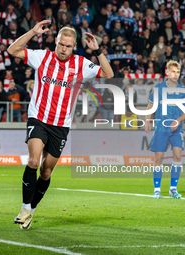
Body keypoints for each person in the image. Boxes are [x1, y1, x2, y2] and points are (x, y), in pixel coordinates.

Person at [7, 20, 113, 229]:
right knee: (33, 162)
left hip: (61, 126)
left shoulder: (81, 64)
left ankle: (32, 210)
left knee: (46, 172)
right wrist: (33, 32)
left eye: (68, 46)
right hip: (38, 118)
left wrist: (97, 50)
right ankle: (25, 207)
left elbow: (109, 74)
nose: (64, 49)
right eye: (61, 44)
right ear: (55, 41)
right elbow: (13, 50)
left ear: (73, 46)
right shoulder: (42, 57)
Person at [145, 60, 185, 199]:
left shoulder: (183, 91)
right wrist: (148, 120)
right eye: (173, 71)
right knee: (159, 159)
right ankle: (157, 190)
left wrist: (178, 120)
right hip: (160, 128)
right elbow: (150, 106)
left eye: (177, 72)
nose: (175, 74)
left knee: (177, 156)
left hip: (177, 129)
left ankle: (173, 189)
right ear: (167, 72)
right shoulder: (158, 88)